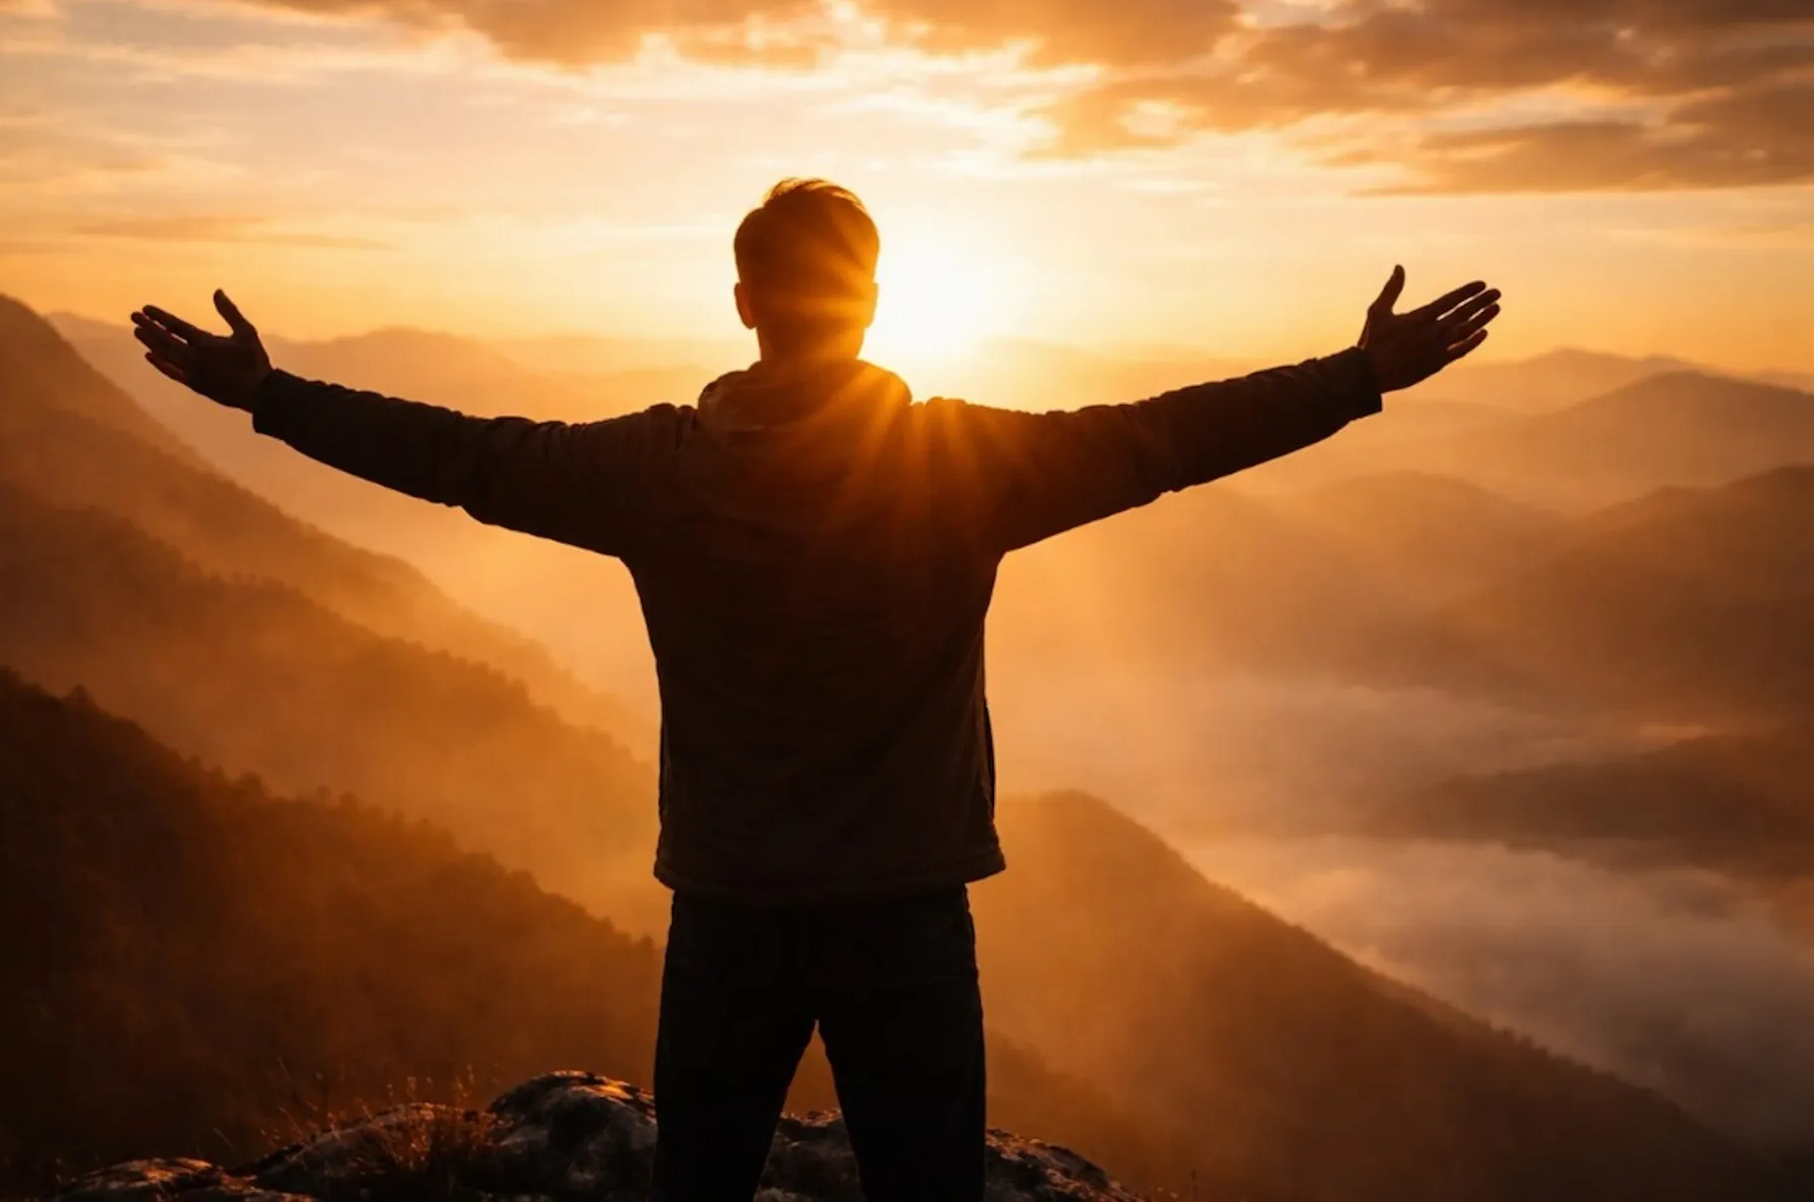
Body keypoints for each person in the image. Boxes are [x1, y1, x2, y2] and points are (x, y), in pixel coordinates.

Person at [130, 178, 1501, 1201]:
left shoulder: (656, 472)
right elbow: (1164, 439)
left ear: (742, 302)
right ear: (873, 302)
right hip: (907, 906)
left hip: (729, 903)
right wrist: (1358, 376)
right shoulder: (956, 468)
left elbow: (464, 455)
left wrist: (271, 394)